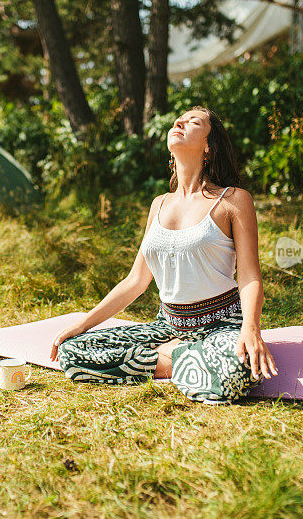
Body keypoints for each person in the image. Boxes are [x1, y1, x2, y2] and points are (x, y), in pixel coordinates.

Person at [50, 105, 277, 404]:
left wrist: (251, 328)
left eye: (193, 121)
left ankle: (171, 359)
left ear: (209, 146)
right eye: (178, 119)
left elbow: (249, 275)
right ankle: (184, 361)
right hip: (166, 326)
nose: (180, 122)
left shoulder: (233, 200)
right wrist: (83, 324)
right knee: (73, 350)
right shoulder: (159, 204)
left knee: (238, 368)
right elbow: (136, 281)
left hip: (221, 324)